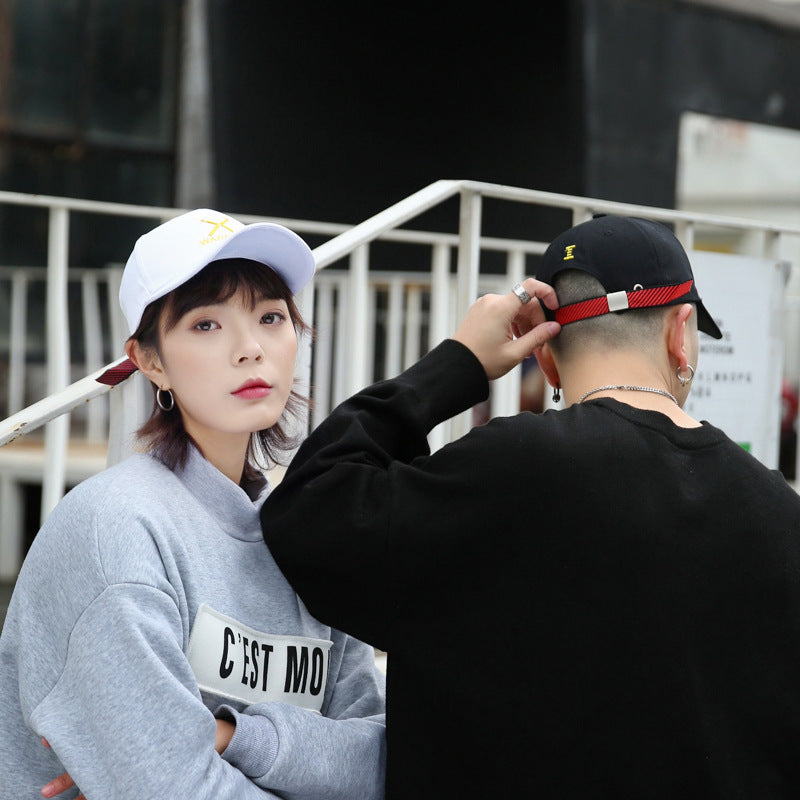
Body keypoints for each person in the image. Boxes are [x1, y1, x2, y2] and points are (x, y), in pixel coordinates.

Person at [261, 214, 800, 798]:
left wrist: (460, 362)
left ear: (544, 359)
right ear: (681, 331)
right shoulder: (779, 513)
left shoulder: (506, 468)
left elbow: (309, 507)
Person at [0, 209, 385, 799]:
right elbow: (176, 787)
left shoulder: (310, 533)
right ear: (151, 360)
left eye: (271, 316)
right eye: (206, 325)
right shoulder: (117, 529)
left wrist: (230, 736)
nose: (250, 348)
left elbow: (380, 763)